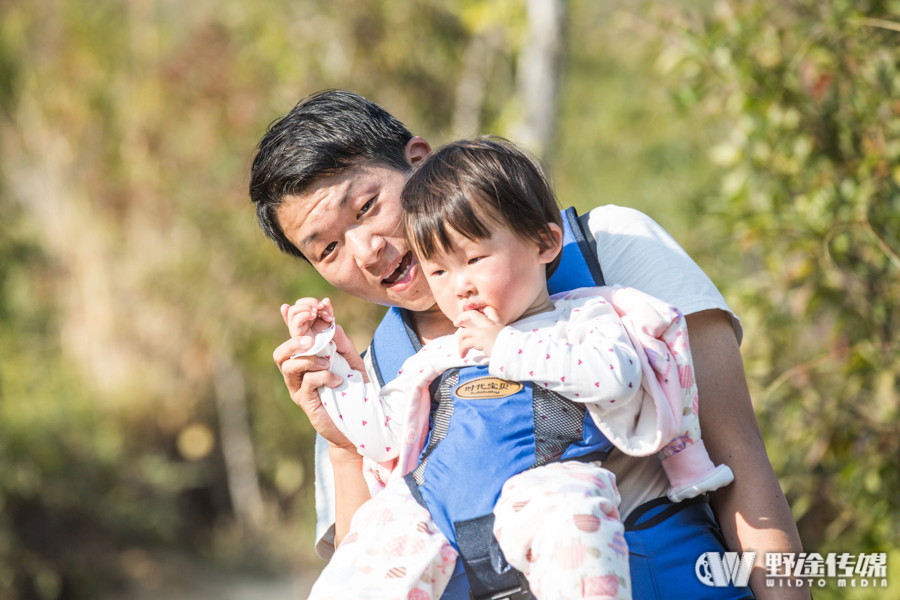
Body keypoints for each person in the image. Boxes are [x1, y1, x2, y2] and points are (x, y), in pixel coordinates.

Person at [249, 90, 808, 600]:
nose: (366, 251)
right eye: (326, 250)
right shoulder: (369, 374)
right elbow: (372, 560)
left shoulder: (609, 250)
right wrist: (345, 443)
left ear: (418, 163)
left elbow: (741, 462)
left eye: (367, 207)